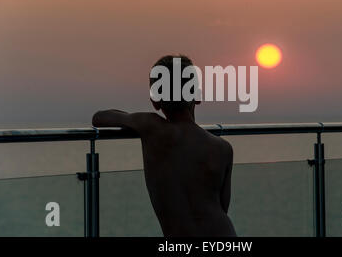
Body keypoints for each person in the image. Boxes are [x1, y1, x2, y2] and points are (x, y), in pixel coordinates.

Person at [92, 55, 236, 237]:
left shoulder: (151, 126)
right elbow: (222, 206)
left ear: (155, 101)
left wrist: (133, 118)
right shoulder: (222, 148)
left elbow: (99, 117)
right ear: (197, 96)